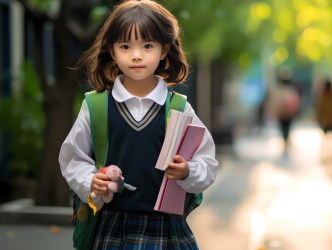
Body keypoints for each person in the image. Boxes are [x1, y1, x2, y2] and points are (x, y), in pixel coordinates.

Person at [59, 1, 218, 249]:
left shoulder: (178, 107)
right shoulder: (96, 106)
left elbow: (207, 162)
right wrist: (91, 180)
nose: (136, 55)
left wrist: (187, 171)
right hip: (112, 227)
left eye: (147, 45)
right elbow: (72, 158)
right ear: (112, 51)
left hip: (167, 229)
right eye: (125, 46)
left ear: (165, 50)